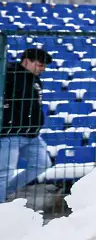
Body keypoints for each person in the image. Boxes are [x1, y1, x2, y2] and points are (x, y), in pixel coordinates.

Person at [1, 47, 53, 201]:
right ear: (26, 61)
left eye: (44, 66)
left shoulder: (35, 78)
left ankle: (4, 192)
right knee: (4, 173)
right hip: (10, 133)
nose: (42, 69)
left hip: (32, 134)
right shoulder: (8, 74)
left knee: (42, 164)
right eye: (40, 65)